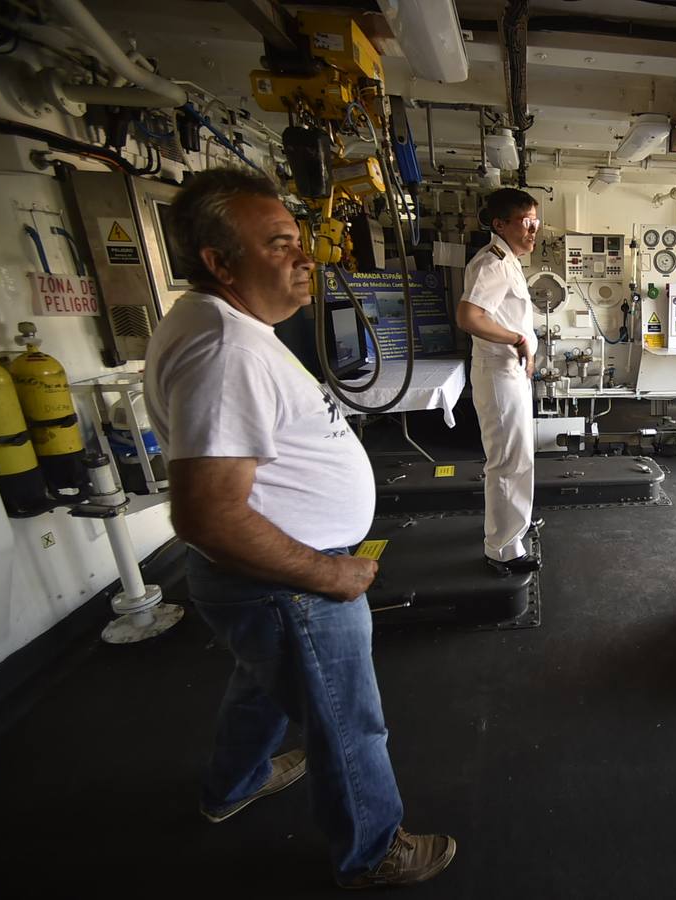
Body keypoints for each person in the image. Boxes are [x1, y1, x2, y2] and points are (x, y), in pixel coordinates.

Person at [143, 168, 455, 890]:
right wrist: (330, 575)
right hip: (288, 581)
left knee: (262, 683)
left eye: (298, 240)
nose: (303, 256)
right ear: (221, 261)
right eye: (280, 244)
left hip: (263, 582)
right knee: (348, 724)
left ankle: (235, 781)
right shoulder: (229, 351)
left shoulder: (225, 326)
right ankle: (374, 850)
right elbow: (208, 512)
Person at [455, 188, 542, 576]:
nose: (532, 231)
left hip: (511, 373)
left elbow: (508, 316)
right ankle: (503, 548)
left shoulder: (509, 261)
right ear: (500, 224)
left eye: (535, 223)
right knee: (508, 460)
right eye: (525, 223)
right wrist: (518, 340)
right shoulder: (491, 263)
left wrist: (525, 345)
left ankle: (512, 529)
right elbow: (470, 317)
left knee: (517, 457)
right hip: (498, 373)